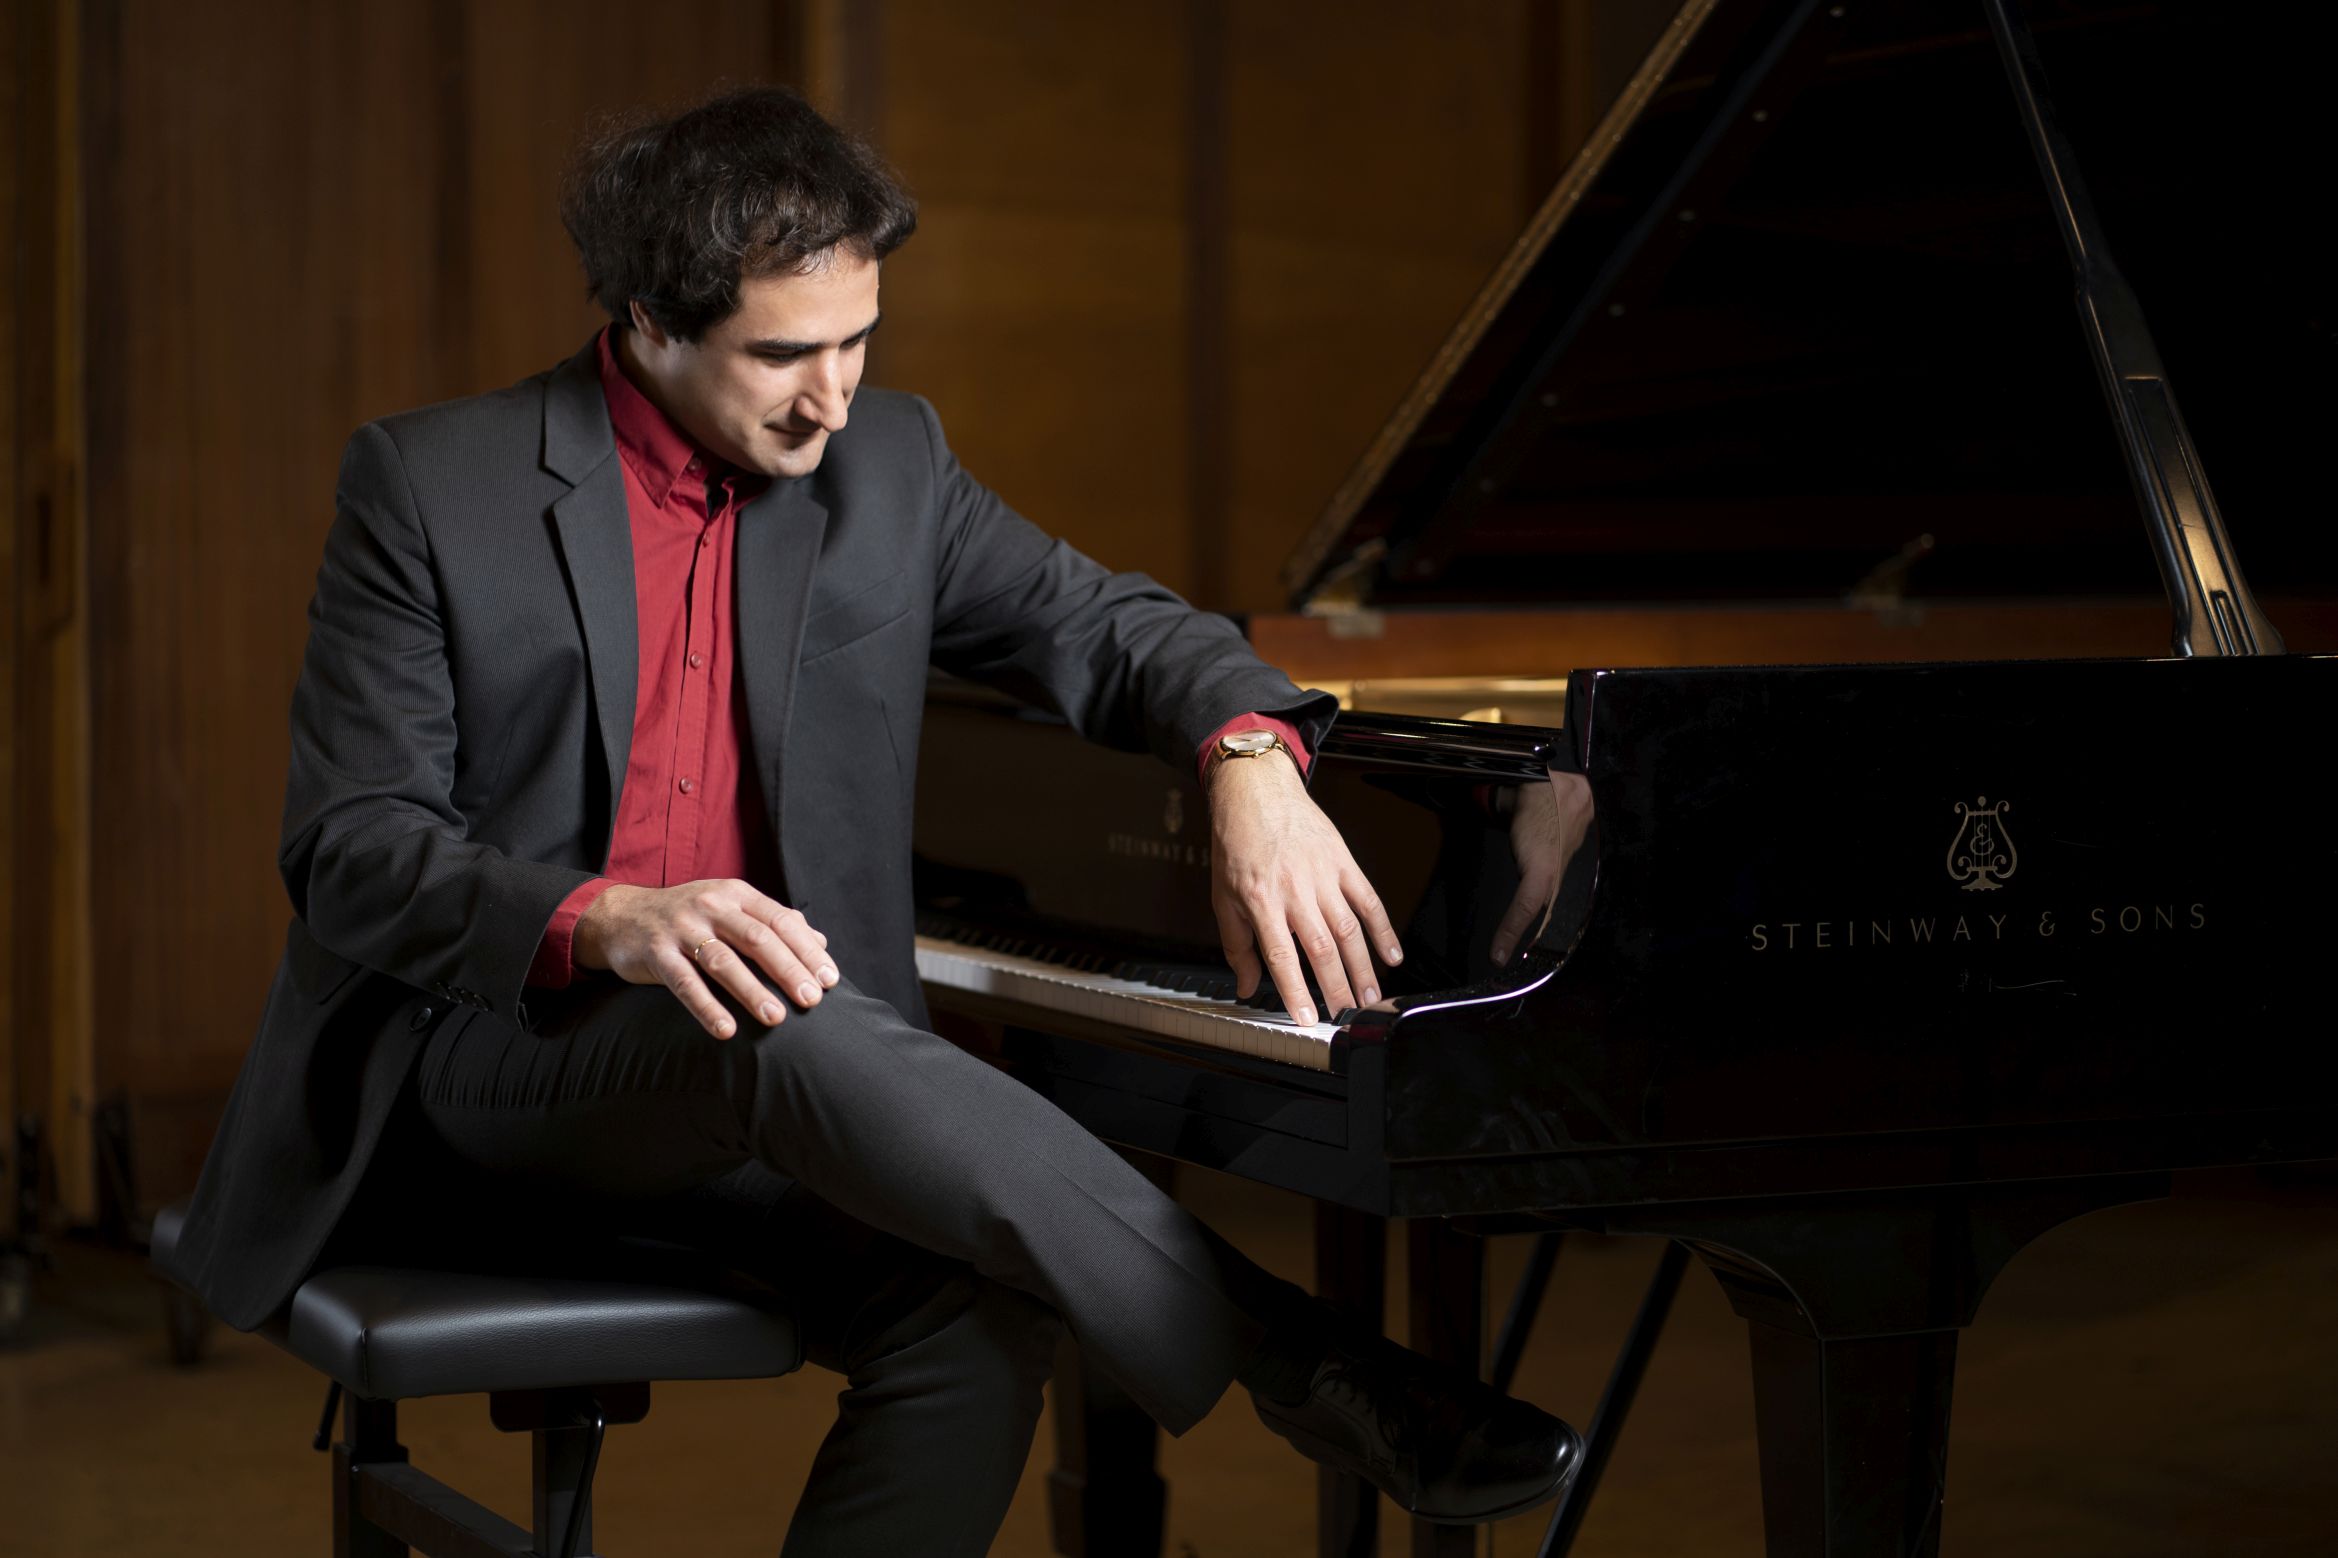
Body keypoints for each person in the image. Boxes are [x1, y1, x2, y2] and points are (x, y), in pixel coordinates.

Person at [170, 85, 1580, 1554]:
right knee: (778, 1019)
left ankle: (1293, 1362)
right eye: (784, 354)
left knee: (979, 1314)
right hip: (493, 1071)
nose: (831, 398)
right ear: (648, 318)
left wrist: (1248, 762)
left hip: (776, 1095)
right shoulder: (430, 484)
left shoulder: (889, 468)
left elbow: (1111, 628)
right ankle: (1299, 1359)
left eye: (858, 342)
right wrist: (612, 919)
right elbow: (351, 848)